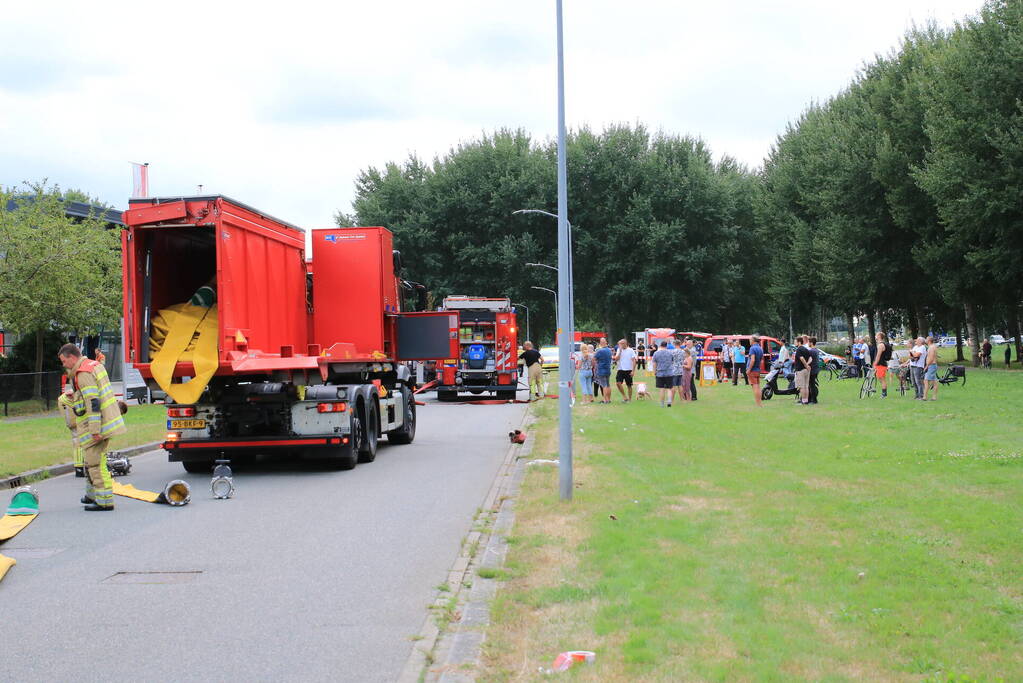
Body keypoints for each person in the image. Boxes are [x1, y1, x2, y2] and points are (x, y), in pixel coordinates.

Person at [58, 343, 126, 511]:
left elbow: (93, 402)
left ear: (72, 357)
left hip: (95, 425)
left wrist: (95, 430)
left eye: (64, 361)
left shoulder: (83, 374)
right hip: (104, 421)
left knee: (95, 463)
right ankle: (92, 495)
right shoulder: (94, 365)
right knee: (90, 461)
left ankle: (104, 501)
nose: (63, 365)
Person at [57, 385, 86, 477]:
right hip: (80, 422)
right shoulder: (76, 398)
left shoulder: (62, 400)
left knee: (77, 444)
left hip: (73, 424)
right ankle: (82, 467)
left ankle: (79, 468)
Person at [652, 341, 674, 406]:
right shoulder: (670, 353)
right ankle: (669, 401)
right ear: (666, 346)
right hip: (669, 372)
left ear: (660, 345)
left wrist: (654, 371)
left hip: (660, 373)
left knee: (661, 389)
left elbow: (654, 363)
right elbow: (672, 361)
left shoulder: (656, 353)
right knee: (669, 388)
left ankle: (662, 403)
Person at [594, 338, 614, 404]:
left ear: (601, 343)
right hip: (608, 369)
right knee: (608, 385)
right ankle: (609, 399)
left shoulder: (600, 351)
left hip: (601, 369)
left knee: (604, 385)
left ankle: (605, 400)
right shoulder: (609, 350)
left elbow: (594, 359)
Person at [794, 336, 812, 405]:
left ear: (799, 342)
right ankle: (806, 400)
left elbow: (801, 358)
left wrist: (806, 365)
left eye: (795, 341)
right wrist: (807, 365)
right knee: (806, 386)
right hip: (807, 370)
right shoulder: (806, 349)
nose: (794, 343)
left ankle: (803, 401)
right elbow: (810, 358)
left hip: (800, 370)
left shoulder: (799, 349)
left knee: (802, 386)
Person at [873, 332, 893, 398]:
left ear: (879, 336)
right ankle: (884, 393)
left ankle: (884, 394)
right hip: (882, 364)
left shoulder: (880, 345)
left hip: (880, 364)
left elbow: (878, 356)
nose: (875, 336)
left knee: (882, 379)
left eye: (876, 335)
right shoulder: (883, 344)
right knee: (880, 378)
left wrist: (875, 363)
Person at [747, 335, 765, 406]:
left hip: (752, 370)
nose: (749, 341)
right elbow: (760, 359)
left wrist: (749, 369)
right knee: (758, 386)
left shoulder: (752, 348)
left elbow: (752, 360)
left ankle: (758, 404)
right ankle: (760, 403)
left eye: (750, 340)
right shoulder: (760, 348)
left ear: (753, 341)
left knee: (755, 387)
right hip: (757, 369)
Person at [670, 337, 687, 403]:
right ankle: (682, 399)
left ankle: (672, 400)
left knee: (673, 386)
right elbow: (684, 359)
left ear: (674, 344)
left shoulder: (672, 351)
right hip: (680, 370)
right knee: (680, 385)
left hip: (674, 370)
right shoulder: (683, 351)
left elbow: (671, 360)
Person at [924, 336, 940, 401]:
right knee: (934, 381)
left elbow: (931, 357)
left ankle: (925, 397)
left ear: (929, 341)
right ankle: (933, 397)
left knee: (926, 381)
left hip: (931, 365)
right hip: (933, 365)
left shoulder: (931, 347)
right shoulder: (934, 346)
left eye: (926, 339)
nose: (925, 340)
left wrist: (927, 366)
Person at [807, 336, 821, 404]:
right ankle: (810, 399)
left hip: (812, 370)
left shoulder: (811, 351)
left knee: (811, 385)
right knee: (811, 385)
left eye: (808, 342)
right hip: (816, 370)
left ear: (811, 343)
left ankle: (814, 400)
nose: (808, 344)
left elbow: (809, 360)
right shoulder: (816, 350)